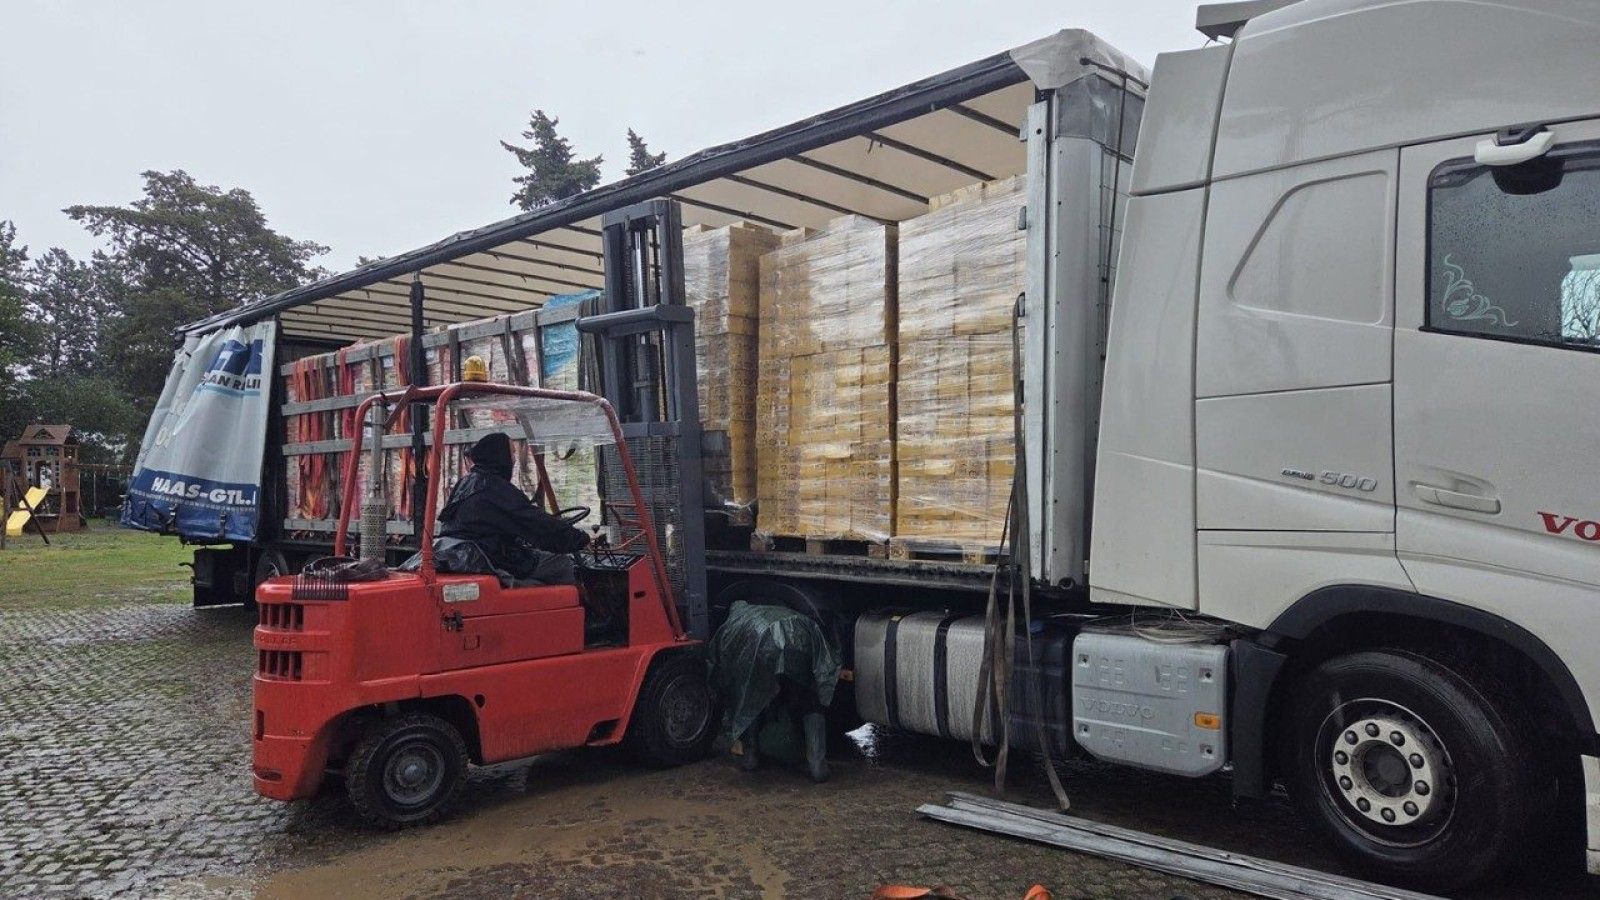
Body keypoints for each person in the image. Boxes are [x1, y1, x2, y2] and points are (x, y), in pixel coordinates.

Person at [437, 432, 588, 582]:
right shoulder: (496, 488)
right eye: (512, 453)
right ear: (500, 456)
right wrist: (579, 539)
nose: (514, 459)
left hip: (469, 554)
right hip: (490, 557)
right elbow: (534, 523)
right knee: (563, 564)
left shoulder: (466, 483)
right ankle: (584, 604)